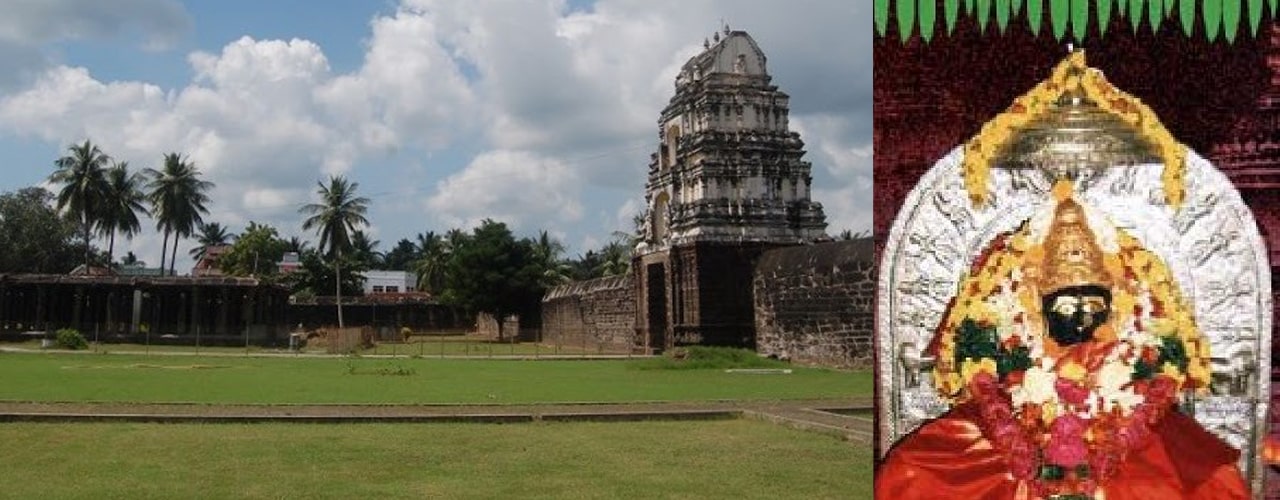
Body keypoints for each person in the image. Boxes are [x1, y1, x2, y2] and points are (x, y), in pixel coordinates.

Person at [875, 183, 1248, 499]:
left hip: (1126, 424)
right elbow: (991, 386)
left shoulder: (1132, 343)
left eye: (1094, 302)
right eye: (1066, 304)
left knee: (1208, 481)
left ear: (1115, 303)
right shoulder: (1013, 335)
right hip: (1014, 425)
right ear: (1037, 305)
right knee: (912, 470)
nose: (1083, 315)